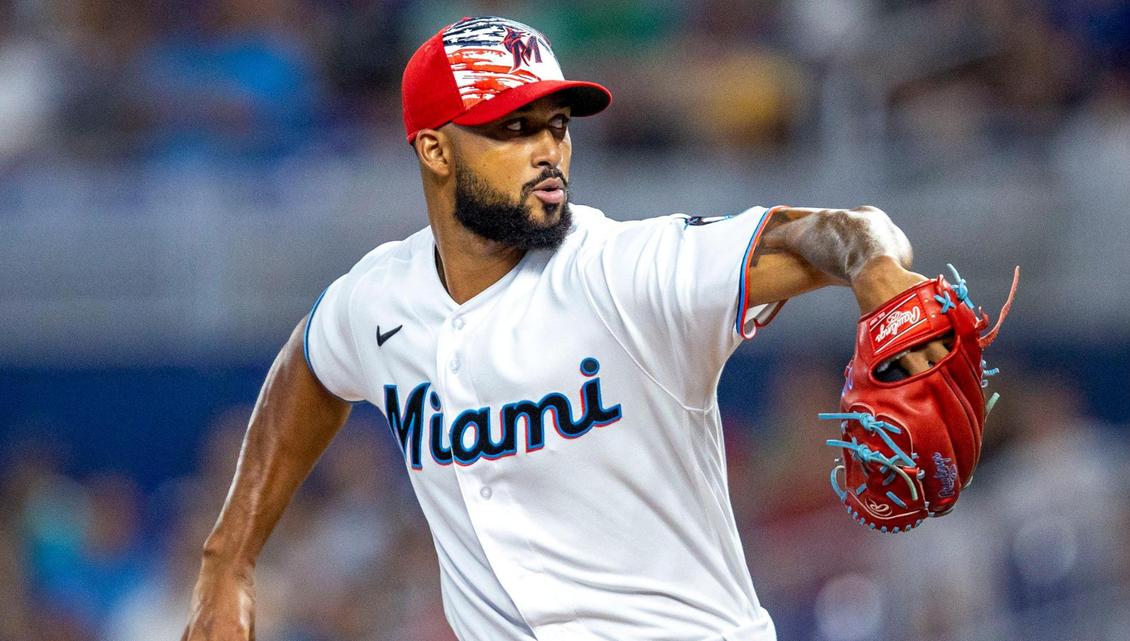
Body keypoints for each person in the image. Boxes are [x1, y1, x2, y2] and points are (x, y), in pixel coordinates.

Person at [181, 16, 947, 641]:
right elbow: (309, 368)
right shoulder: (378, 300)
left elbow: (837, 230)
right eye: (513, 128)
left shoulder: (626, 269)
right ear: (435, 148)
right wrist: (228, 560)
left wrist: (873, 267)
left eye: (557, 124)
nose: (548, 149)